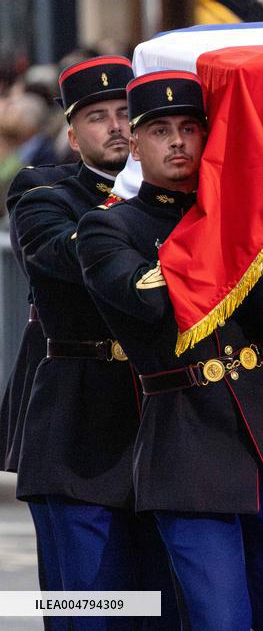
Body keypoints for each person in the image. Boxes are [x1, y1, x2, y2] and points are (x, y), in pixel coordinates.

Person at [76, 71, 263, 630]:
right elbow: (149, 301)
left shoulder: (244, 222)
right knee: (219, 618)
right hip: (186, 445)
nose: (178, 141)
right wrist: (231, 227)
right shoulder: (106, 227)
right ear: (134, 144)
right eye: (160, 130)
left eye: (190, 127)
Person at [9, 56, 178, 631]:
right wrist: (130, 209)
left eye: (128, 114)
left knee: (160, 605)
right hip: (78, 424)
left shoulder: (181, 197)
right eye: (97, 117)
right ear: (73, 133)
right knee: (88, 606)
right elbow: (62, 255)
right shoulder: (44, 190)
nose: (116, 127)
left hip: (166, 420)